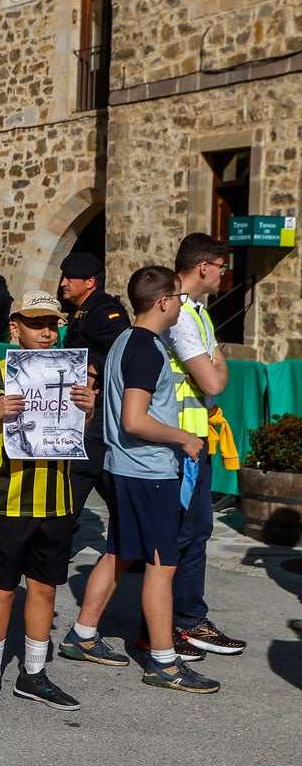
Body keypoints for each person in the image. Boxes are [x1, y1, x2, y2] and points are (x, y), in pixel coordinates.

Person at [58, 266, 219, 694]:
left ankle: (83, 633)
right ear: (164, 301)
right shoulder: (147, 349)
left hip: (123, 468)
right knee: (162, 567)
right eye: (178, 299)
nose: (181, 305)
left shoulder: (124, 341)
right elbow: (134, 419)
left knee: (117, 553)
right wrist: (183, 436)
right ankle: (164, 662)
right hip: (149, 472)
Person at [0, 291, 96, 714]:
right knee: (1, 589)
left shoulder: (73, 374)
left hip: (56, 500)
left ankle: (33, 675)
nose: (46, 332)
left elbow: (75, 433)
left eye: (52, 324)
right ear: (14, 327)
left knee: (44, 589)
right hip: (6, 502)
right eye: (36, 324)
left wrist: (89, 410)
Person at [158, 233, 246, 657]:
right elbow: (214, 379)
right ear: (204, 266)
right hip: (179, 441)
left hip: (195, 438)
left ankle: (184, 620)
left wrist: (215, 362)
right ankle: (179, 623)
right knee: (182, 536)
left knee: (196, 533)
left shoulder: (195, 311)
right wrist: (216, 361)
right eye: (222, 266)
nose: (224, 275)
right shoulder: (178, 312)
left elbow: (214, 373)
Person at [59, 252, 132, 542]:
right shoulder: (83, 309)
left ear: (90, 282)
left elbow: (122, 349)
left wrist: (93, 369)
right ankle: (131, 538)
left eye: (70, 279)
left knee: (82, 467)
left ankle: (58, 534)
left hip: (99, 404)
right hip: (83, 403)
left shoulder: (104, 312)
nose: (63, 283)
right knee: (102, 476)